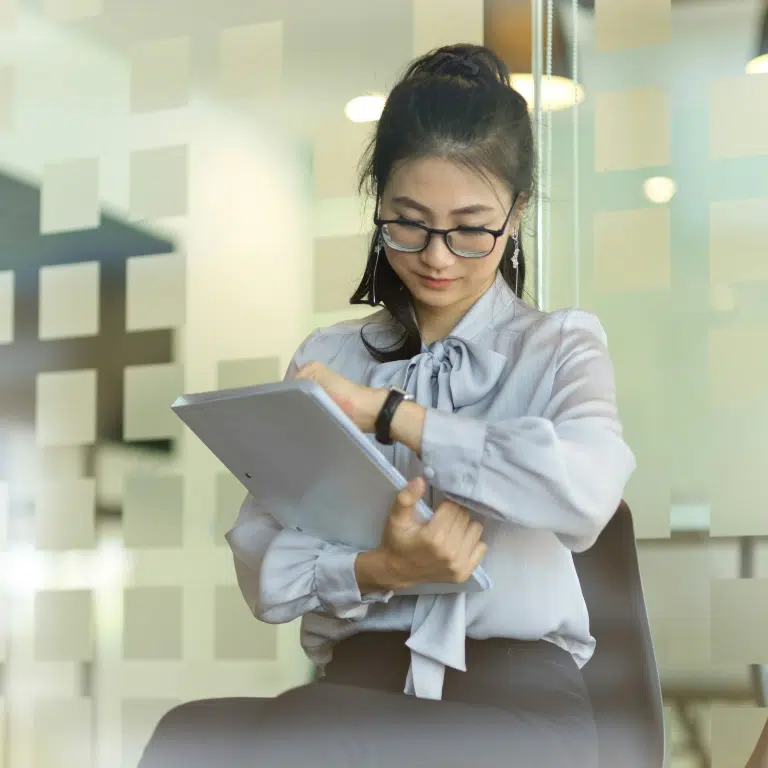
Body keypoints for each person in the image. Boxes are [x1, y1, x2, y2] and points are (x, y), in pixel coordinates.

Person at [139, 43, 635, 768]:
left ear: (517, 213)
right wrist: (380, 570)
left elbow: (584, 491)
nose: (437, 256)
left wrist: (388, 413)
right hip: (354, 687)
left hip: (516, 708)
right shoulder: (330, 357)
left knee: (307, 733)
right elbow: (263, 562)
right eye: (408, 222)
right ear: (378, 205)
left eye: (471, 228)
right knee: (193, 734)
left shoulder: (559, 347)